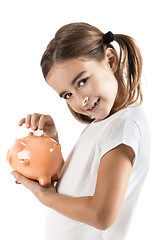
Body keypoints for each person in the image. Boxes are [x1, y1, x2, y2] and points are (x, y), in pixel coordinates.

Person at [11, 22, 151, 240]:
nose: (80, 100)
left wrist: (43, 196)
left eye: (82, 81)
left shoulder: (122, 129)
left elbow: (101, 214)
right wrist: (53, 143)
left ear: (110, 60)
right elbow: (78, 187)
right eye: (67, 95)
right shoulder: (105, 123)